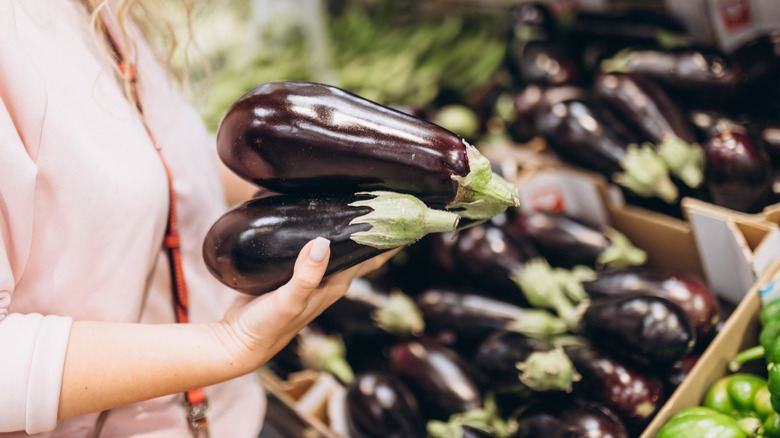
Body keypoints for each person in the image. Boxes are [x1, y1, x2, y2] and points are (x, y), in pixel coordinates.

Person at [0, 1, 397, 436]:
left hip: (234, 412)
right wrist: (228, 344)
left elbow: (156, 169)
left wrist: (350, 195)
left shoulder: (100, 11)